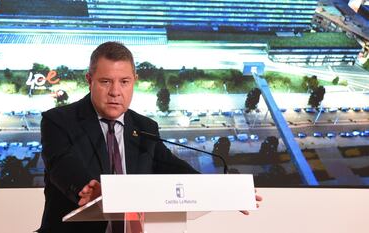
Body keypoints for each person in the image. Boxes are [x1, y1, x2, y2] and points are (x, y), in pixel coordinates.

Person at [37, 41, 261, 233]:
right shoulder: (59, 121)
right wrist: (86, 188)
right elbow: (62, 163)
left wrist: (225, 191)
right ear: (90, 79)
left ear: (134, 80)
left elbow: (173, 167)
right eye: (106, 81)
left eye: (124, 82)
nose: (115, 91)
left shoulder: (144, 127)